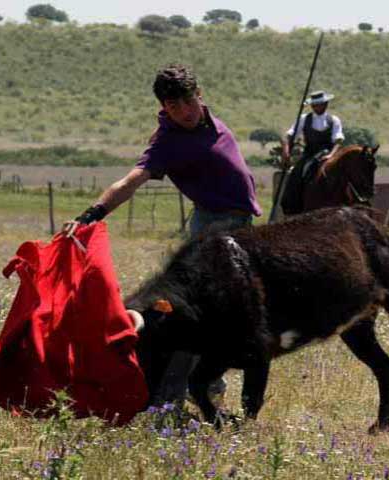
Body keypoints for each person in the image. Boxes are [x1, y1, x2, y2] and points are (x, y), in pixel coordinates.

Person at [66, 63, 262, 407]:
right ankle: (168, 397)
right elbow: (131, 181)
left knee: (226, 314)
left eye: (187, 102)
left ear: (199, 95)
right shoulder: (168, 141)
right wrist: (92, 214)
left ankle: (204, 385)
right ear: (164, 108)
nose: (183, 112)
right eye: (173, 107)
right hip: (213, 227)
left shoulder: (211, 121)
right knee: (196, 313)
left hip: (239, 226)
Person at [280, 90, 344, 215]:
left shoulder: (334, 120)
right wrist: (286, 151)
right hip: (309, 154)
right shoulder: (304, 119)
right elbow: (290, 135)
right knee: (296, 174)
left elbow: (338, 139)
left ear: (326, 104)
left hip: (329, 153)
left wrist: (331, 154)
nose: (316, 107)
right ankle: (292, 207)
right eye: (314, 105)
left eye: (319, 104)